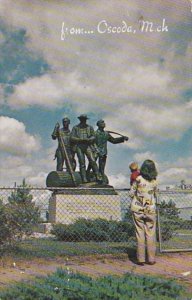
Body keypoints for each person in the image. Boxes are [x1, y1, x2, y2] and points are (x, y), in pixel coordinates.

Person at [129, 159, 158, 266]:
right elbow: (155, 194)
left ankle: (140, 259)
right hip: (150, 209)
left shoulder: (138, 179)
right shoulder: (155, 181)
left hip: (138, 209)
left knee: (139, 233)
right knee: (150, 234)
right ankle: (151, 259)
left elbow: (131, 193)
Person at [70, 114, 102, 183]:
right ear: (80, 120)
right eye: (82, 119)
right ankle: (84, 178)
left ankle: (98, 176)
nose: (83, 120)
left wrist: (89, 139)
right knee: (82, 163)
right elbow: (71, 137)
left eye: (84, 119)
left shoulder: (89, 127)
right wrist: (79, 139)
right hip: (79, 146)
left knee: (92, 160)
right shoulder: (75, 127)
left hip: (87, 146)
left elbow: (93, 136)